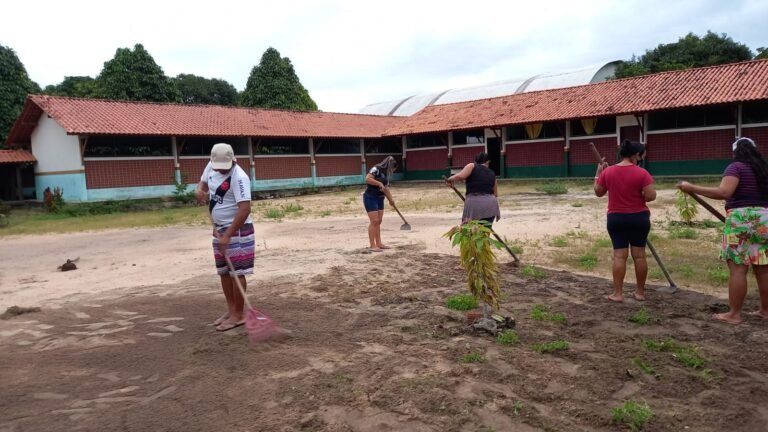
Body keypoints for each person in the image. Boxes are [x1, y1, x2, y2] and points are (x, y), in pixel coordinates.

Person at [678, 137, 768, 324]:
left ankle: (734, 314)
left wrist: (691, 187)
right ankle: (765, 311)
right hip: (764, 219)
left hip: (740, 221)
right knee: (763, 268)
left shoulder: (736, 168)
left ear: (736, 152)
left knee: (738, 269)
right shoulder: (764, 171)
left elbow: (724, 192)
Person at [195, 143, 254, 331]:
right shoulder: (210, 166)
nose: (220, 169)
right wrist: (200, 191)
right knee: (224, 272)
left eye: (224, 166)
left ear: (232, 160)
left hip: (237, 230)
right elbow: (203, 184)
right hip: (219, 230)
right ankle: (231, 310)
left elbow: (245, 209)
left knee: (237, 273)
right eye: (217, 165)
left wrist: (228, 235)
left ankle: (239, 314)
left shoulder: (239, 178)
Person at [594, 140, 656, 302]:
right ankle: (640, 293)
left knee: (619, 256)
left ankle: (618, 293)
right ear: (636, 155)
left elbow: (598, 192)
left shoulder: (608, 172)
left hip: (616, 218)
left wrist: (598, 173)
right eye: (642, 154)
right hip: (639, 218)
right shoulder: (642, 173)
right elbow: (650, 196)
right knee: (640, 256)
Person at [444, 152, 500, 227]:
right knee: (484, 234)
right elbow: (495, 194)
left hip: (475, 206)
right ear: (487, 162)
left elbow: (460, 176)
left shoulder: (472, 166)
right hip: (491, 206)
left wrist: (449, 179)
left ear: (476, 161)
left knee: (469, 232)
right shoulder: (492, 173)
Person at [363, 156, 398, 252]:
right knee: (374, 221)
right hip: (370, 197)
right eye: (392, 169)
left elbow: (386, 189)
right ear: (389, 166)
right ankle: (372, 245)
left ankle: (379, 243)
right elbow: (367, 179)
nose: (392, 172)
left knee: (379, 221)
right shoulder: (376, 169)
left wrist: (391, 200)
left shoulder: (386, 176)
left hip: (380, 198)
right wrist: (378, 183)